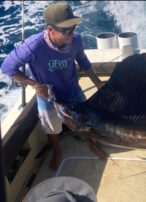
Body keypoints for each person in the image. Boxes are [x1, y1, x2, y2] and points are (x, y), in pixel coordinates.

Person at [1, 1, 103, 170]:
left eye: (74, 27)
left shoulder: (76, 40)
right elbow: (7, 67)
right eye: (66, 30)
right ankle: (57, 151)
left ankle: (93, 143)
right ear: (50, 30)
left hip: (72, 90)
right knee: (52, 127)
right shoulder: (33, 47)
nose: (71, 33)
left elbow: (84, 62)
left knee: (87, 119)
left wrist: (97, 82)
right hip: (47, 97)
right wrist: (34, 84)